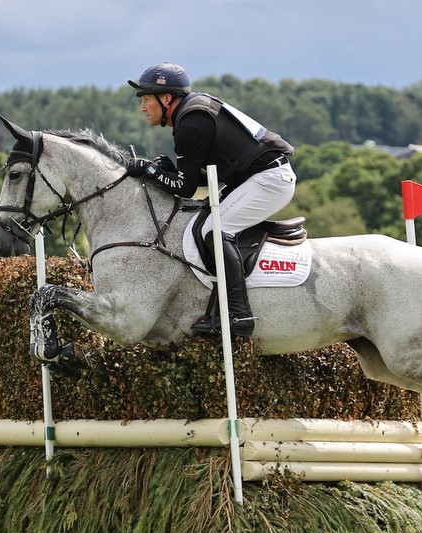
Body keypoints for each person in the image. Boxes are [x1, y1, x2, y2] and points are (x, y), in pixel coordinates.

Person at [126, 62, 296, 337]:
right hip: (257, 177)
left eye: (146, 99)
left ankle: (238, 315)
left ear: (166, 98)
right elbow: (203, 177)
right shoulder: (192, 113)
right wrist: (166, 172)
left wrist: (148, 170)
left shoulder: (191, 124)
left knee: (214, 230)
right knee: (201, 225)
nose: (143, 107)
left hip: (270, 180)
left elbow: (185, 189)